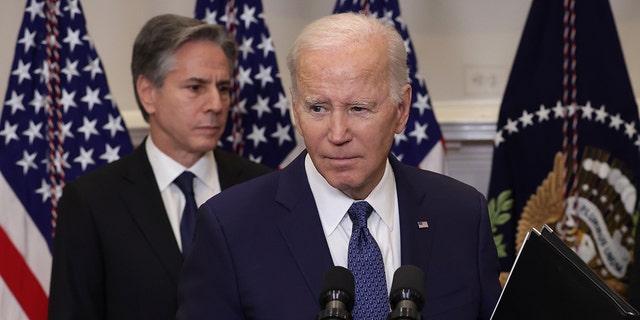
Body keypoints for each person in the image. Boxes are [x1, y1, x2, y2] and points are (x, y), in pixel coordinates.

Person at [177, 12, 501, 320]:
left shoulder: (461, 215)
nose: (336, 134)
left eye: (358, 108)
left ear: (401, 110)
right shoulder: (230, 227)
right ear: (295, 111)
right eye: (317, 108)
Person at [48, 14, 272, 320]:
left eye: (222, 88)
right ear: (148, 93)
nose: (216, 105)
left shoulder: (262, 187)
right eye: (195, 87)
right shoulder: (92, 202)